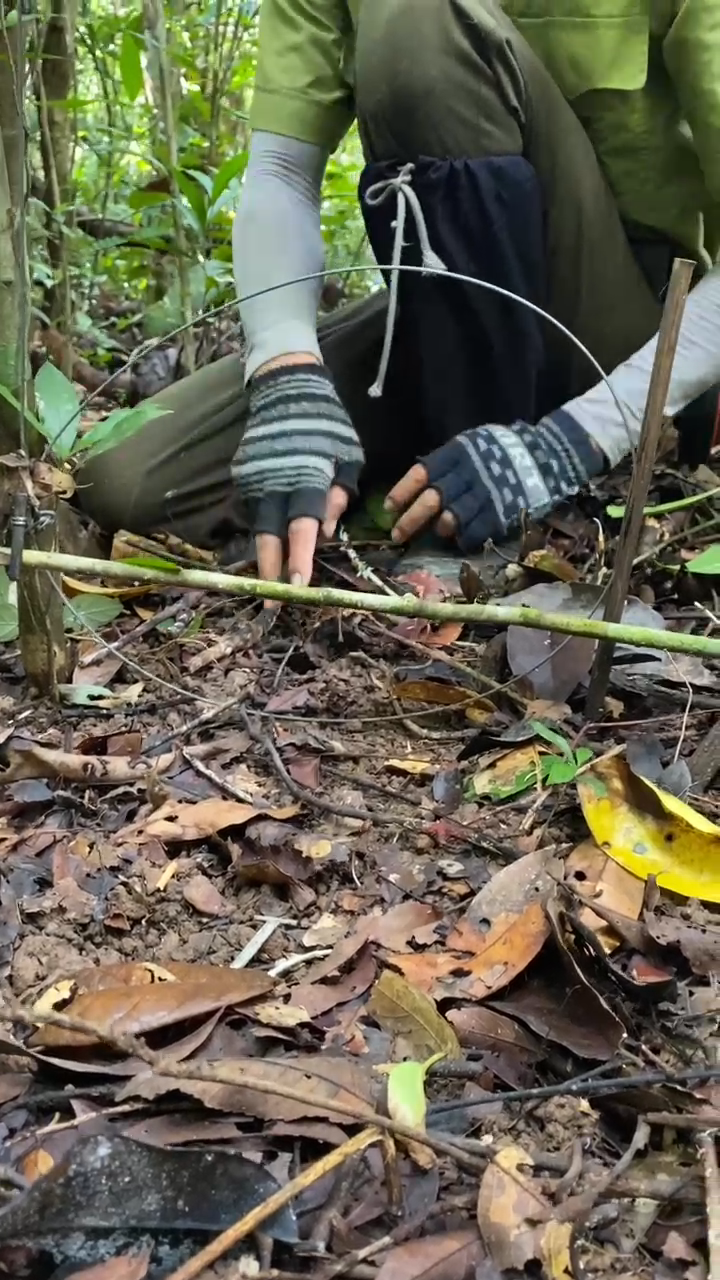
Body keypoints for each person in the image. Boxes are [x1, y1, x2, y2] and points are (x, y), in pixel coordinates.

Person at [79, 0, 720, 585]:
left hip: (633, 344)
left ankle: (477, 532)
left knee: (418, 20)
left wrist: (577, 439)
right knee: (129, 482)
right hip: (447, 321)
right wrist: (287, 373)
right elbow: (280, 170)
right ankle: (423, 476)